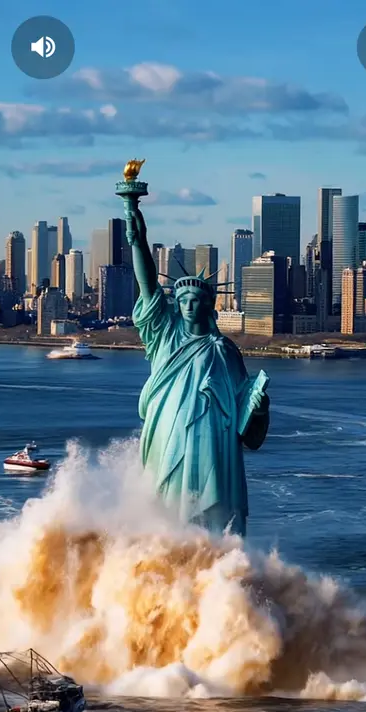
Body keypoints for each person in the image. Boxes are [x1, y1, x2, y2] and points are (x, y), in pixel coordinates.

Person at [127, 206, 270, 536]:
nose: (188, 305)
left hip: (213, 445)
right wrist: (138, 238)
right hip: (168, 434)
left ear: (209, 305)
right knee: (168, 507)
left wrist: (260, 409)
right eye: (183, 300)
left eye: (195, 300)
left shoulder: (225, 351)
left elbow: (244, 411)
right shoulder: (164, 334)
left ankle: (210, 563)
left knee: (210, 513)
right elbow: (147, 284)